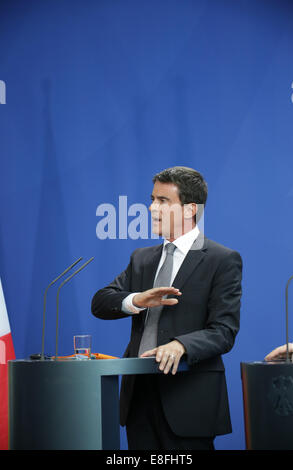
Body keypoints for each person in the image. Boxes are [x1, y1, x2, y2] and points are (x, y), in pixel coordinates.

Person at [91, 166, 243, 450]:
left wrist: (181, 345)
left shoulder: (222, 260)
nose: (151, 208)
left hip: (188, 399)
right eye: (152, 199)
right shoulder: (142, 259)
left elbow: (224, 331)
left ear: (189, 210)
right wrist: (137, 299)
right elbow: (100, 302)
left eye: (163, 201)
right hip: (139, 401)